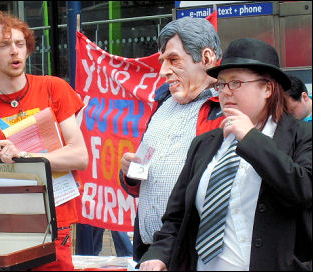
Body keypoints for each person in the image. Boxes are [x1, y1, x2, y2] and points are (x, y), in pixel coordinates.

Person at [138, 38, 312, 271]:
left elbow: (304, 189)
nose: (226, 92)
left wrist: (251, 138)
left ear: (268, 88)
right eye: (221, 84)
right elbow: (177, 217)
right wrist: (158, 255)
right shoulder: (204, 144)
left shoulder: (301, 135)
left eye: (236, 83)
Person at [0, 11, 89, 271]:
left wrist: (25, 157)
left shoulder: (54, 88)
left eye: (20, 44)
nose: (14, 52)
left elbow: (79, 156)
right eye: (4, 45)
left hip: (53, 223)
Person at [119, 16, 225, 262]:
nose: (163, 71)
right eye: (163, 61)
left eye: (174, 60)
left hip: (195, 252)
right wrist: (131, 172)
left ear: (206, 58)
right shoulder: (162, 103)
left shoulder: (224, 108)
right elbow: (138, 181)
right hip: (150, 248)